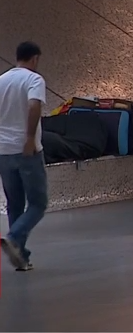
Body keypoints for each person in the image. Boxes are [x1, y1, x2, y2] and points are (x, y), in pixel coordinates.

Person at [0, 41, 48, 271]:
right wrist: (29, 137)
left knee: (15, 204)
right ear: (35, 59)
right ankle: (13, 237)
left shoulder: (1, 80)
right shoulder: (34, 79)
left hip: (3, 151)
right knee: (38, 203)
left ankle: (21, 257)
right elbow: (33, 106)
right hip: (26, 151)